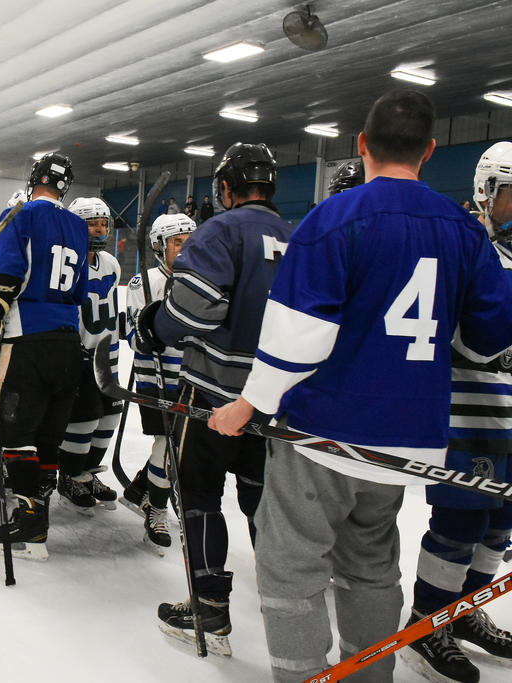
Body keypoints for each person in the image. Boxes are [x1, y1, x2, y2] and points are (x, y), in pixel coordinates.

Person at [208, 91, 512, 682]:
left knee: (291, 566)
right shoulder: (461, 228)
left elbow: (299, 336)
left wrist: (247, 405)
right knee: (370, 566)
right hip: (409, 442)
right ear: (429, 150)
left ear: (362, 144)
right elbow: (486, 340)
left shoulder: (334, 218)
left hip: (326, 434)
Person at [134, 142, 293, 655]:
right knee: (262, 503)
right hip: (273, 402)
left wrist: (154, 327)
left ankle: (209, 610)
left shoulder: (220, 231)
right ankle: (286, 605)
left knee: (199, 497)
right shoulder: (295, 236)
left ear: (225, 187)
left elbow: (192, 312)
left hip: (212, 396)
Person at [402, 141, 512, 682]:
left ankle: (464, 611)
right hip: (470, 412)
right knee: (460, 521)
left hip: (509, 416)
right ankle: (427, 624)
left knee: (500, 522)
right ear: (486, 192)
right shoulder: (468, 246)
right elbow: (471, 340)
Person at [0, 152, 89, 561]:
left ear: (34, 179)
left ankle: (28, 520)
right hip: (68, 342)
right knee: (48, 437)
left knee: (17, 433)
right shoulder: (78, 225)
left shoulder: (19, 214)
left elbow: (7, 274)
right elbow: (79, 289)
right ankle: (38, 515)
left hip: (27, 339)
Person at [120, 212, 196, 553]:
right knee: (168, 445)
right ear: (159, 246)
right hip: (156, 377)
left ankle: (141, 489)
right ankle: (157, 509)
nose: (185, 248)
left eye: (190, 241)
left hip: (190, 379)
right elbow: (131, 333)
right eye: (177, 242)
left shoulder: (201, 281)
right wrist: (146, 333)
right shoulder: (144, 282)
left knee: (178, 447)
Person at [54, 197, 123, 516]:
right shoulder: (68, 261)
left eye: (103, 223)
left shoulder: (111, 263)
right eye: (91, 223)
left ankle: (87, 473)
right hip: (81, 354)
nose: (99, 229)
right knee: (84, 418)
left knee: (110, 416)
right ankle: (69, 476)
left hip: (108, 355)